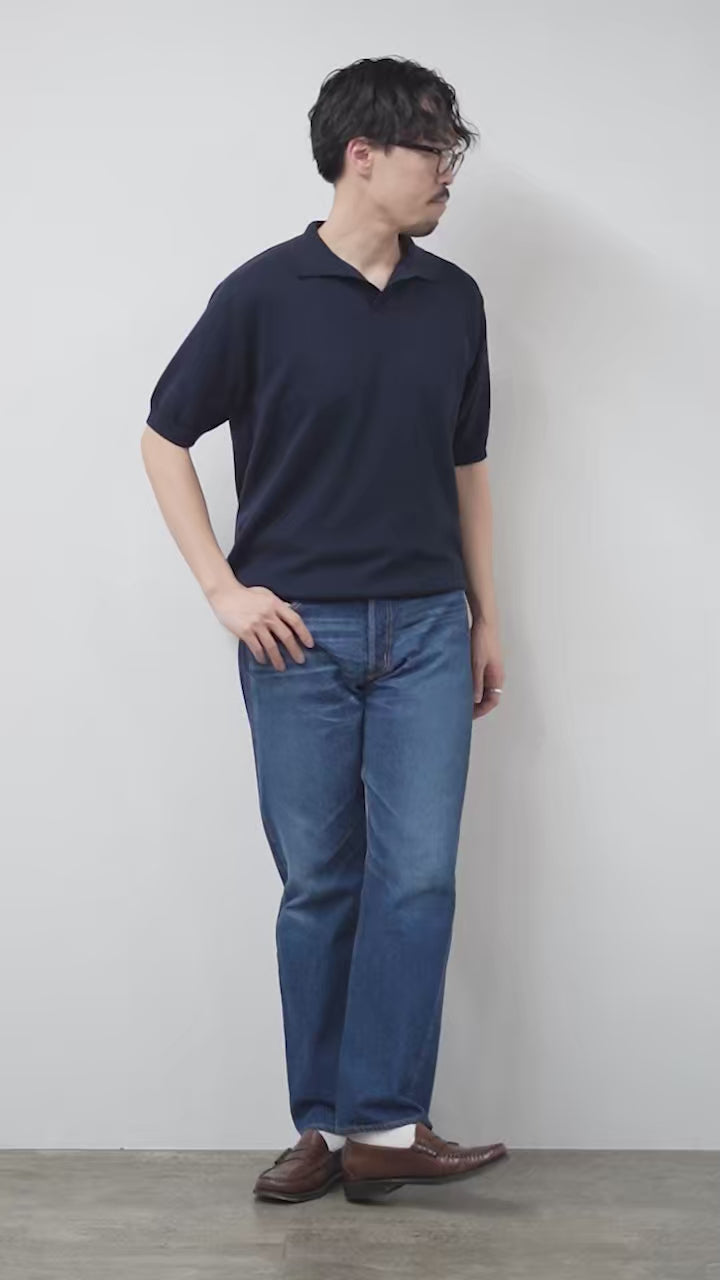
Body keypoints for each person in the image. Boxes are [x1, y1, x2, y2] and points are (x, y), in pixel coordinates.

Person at [141, 55, 508, 1205]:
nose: (449, 172)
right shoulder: (262, 293)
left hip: (428, 631)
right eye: (435, 148)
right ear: (363, 154)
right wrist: (224, 589)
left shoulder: (455, 298)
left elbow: (468, 465)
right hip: (294, 640)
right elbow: (163, 435)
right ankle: (322, 1123)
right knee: (320, 884)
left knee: (419, 879)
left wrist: (488, 614)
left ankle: (385, 1125)